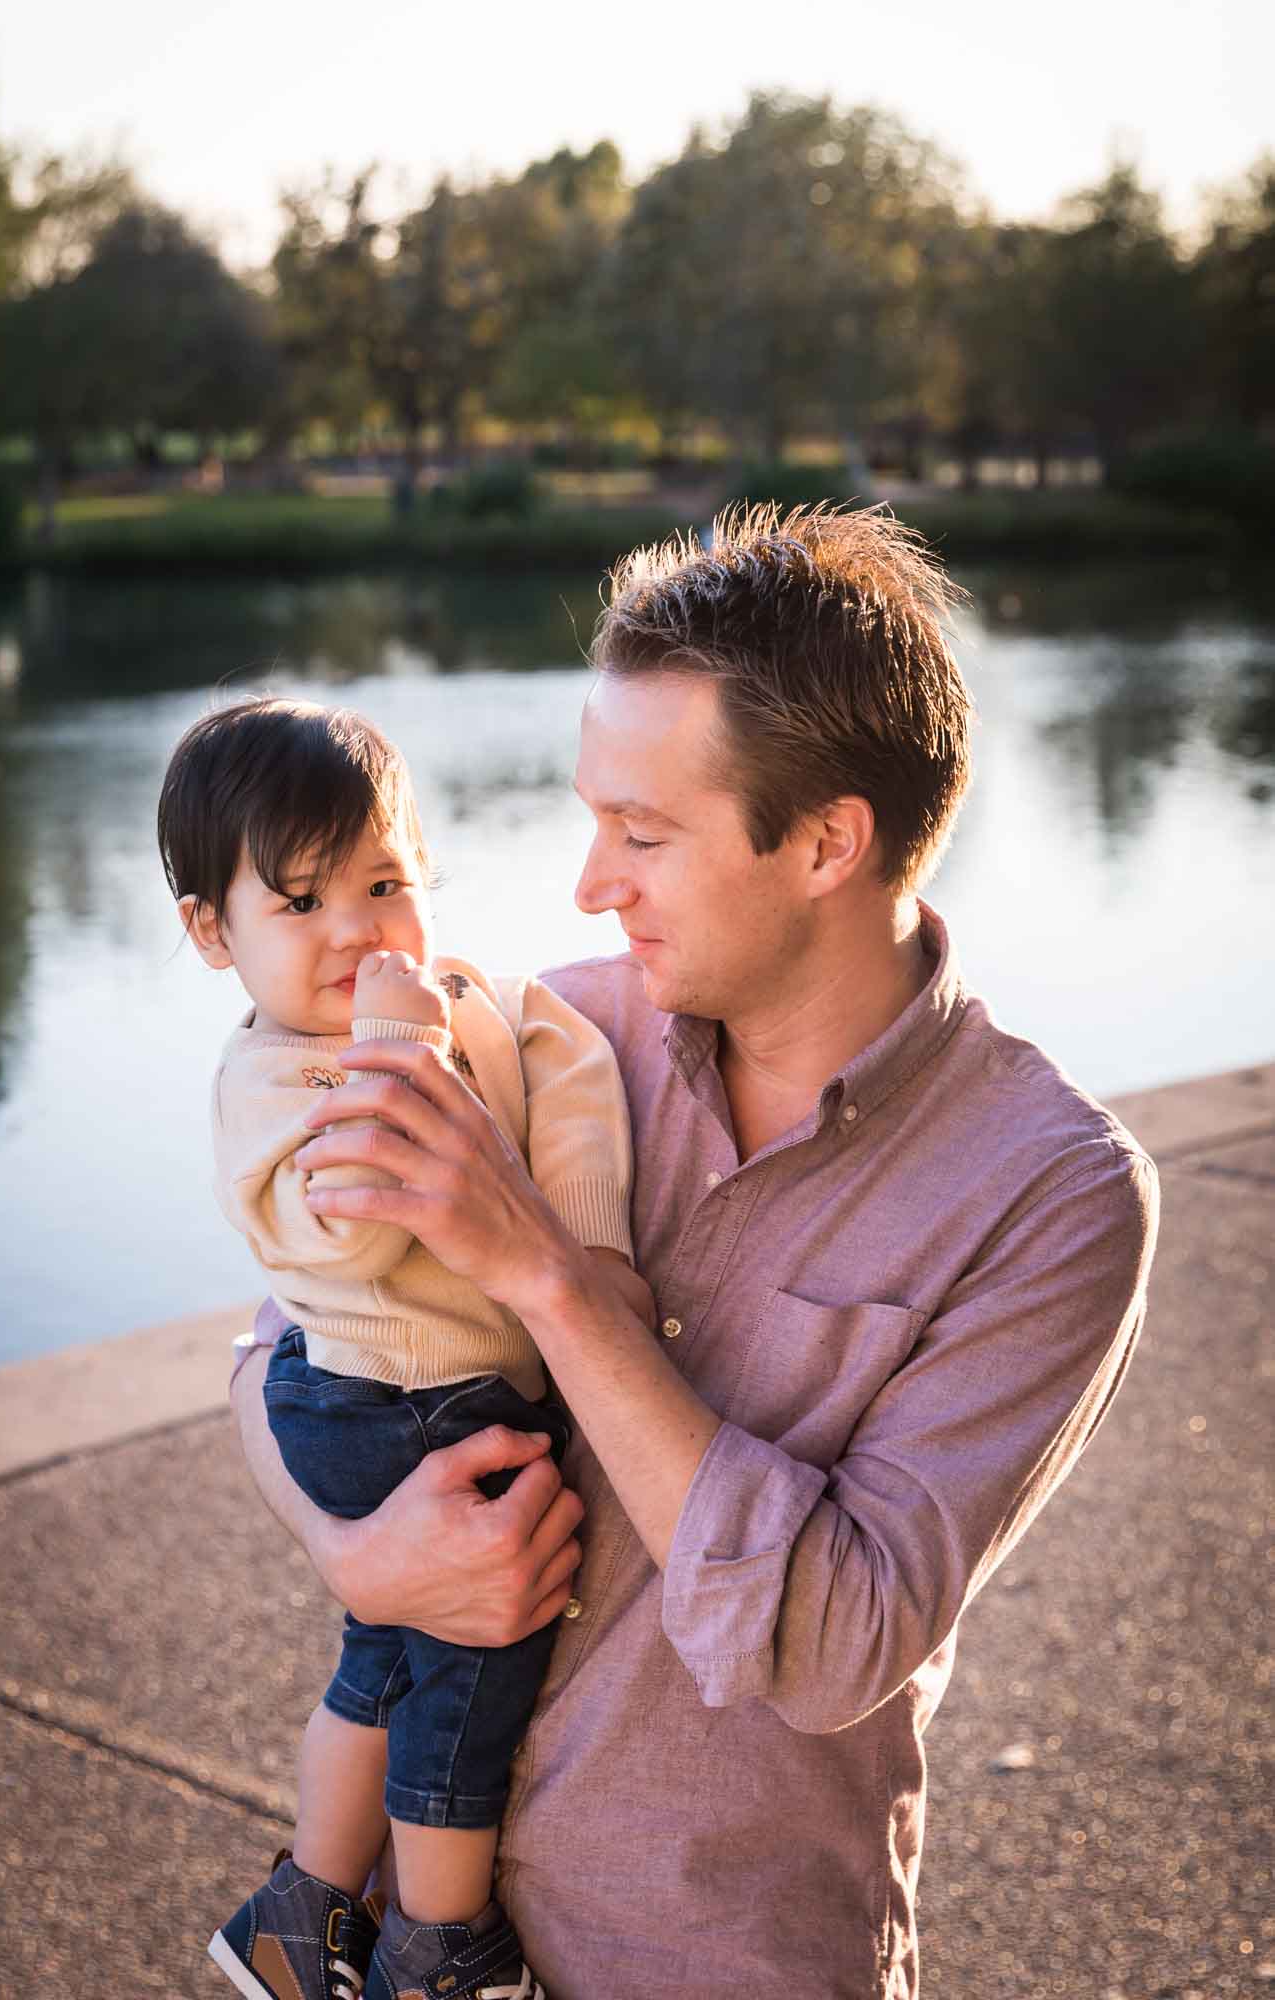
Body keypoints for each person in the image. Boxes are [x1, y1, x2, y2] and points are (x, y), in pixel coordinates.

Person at [229, 506, 1161, 1999]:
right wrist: (355, 1552)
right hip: (411, 1944)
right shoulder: (551, 1031)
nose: (591, 881)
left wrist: (543, 1271)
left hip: (714, 1958)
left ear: (825, 842)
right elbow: (275, 1347)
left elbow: (835, 1640)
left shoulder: (1047, 1195)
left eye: (642, 834)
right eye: (596, 819)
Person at [158, 698, 640, 2000]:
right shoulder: (268, 1081)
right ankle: (436, 1944)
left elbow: (576, 1065)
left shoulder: (472, 998)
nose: (356, 931)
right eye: (300, 903)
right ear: (215, 934)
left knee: (384, 1654)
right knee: (477, 1661)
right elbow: (361, 1229)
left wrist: (590, 1257)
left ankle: (301, 1911)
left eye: (384, 882)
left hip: (456, 1392)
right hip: (377, 1403)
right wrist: (395, 1045)